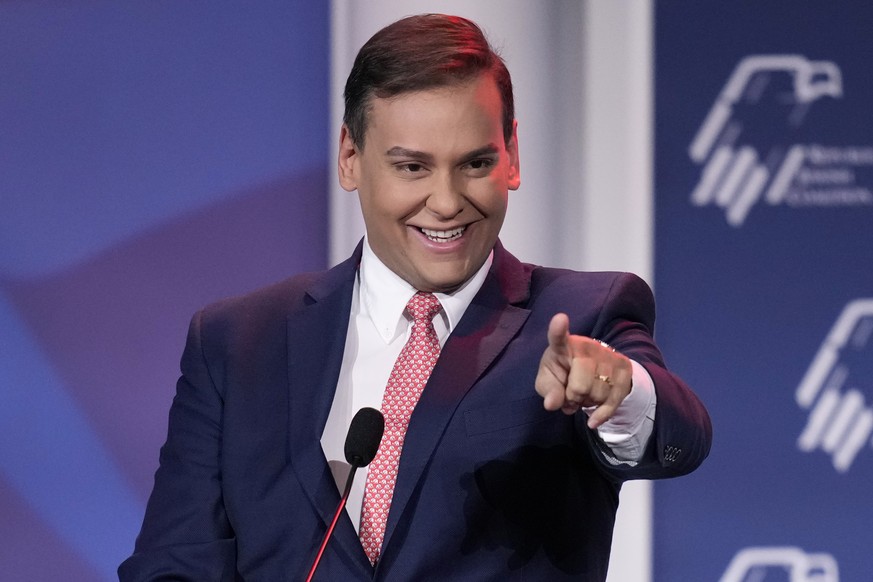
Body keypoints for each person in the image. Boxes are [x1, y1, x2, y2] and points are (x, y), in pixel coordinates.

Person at [119, 13, 711, 581]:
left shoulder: (583, 314)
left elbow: (679, 435)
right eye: (412, 168)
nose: (447, 201)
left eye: (475, 163)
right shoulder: (237, 342)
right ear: (351, 157)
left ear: (512, 155)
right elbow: (176, 561)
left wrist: (619, 390)